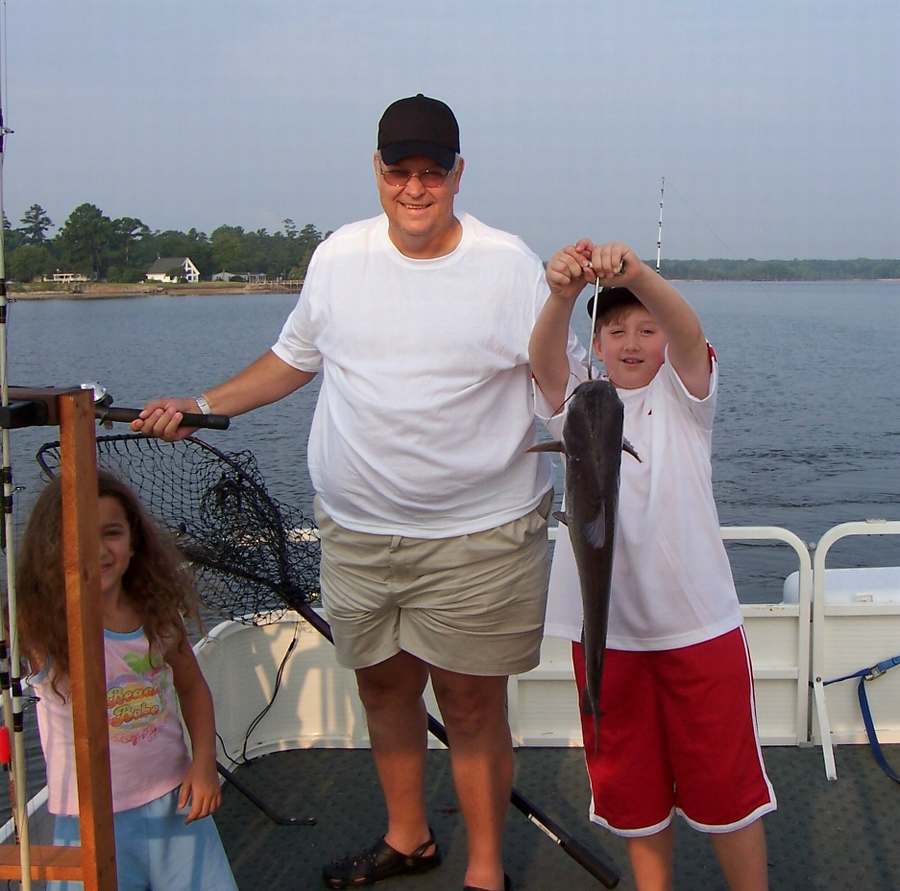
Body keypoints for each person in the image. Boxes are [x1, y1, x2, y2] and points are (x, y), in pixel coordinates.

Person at [130, 93, 582, 891]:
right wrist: (200, 406)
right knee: (383, 686)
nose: (414, 188)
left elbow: (560, 387)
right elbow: (292, 358)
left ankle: (485, 869)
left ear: (457, 175)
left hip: (480, 534)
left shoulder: (509, 263)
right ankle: (408, 836)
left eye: (430, 173)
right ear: (376, 171)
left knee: (472, 706)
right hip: (358, 529)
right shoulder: (338, 256)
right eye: (399, 170)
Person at [529, 239, 776, 891]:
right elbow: (543, 360)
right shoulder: (580, 404)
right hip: (608, 638)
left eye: (647, 328)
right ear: (597, 343)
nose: (633, 340)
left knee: (729, 791)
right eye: (615, 329)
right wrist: (560, 296)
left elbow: (690, 332)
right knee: (634, 800)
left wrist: (638, 274)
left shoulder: (687, 399)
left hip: (698, 630)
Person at [16, 471, 237, 891]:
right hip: (86, 820)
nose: (98, 550)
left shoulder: (155, 616)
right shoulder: (43, 632)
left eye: (112, 533)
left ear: (134, 543)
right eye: (78, 537)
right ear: (51, 549)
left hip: (175, 800)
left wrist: (204, 764)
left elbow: (192, 689)